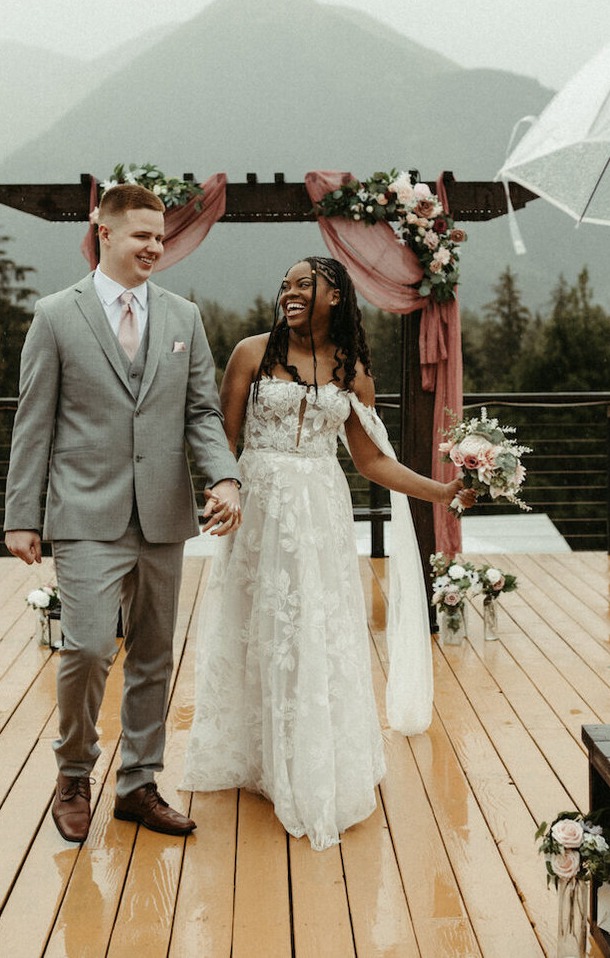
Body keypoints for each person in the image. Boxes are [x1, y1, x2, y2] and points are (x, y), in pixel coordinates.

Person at [180, 256, 471, 850]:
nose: (288, 292)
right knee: (257, 627)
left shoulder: (353, 370)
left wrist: (439, 490)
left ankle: (309, 755)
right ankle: (256, 754)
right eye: (284, 283)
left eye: (303, 284)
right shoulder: (250, 353)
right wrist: (219, 492)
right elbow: (221, 440)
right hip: (259, 511)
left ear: (335, 296)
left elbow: (370, 460)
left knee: (315, 628)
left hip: (320, 512)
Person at [4, 182, 242, 844]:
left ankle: (138, 784)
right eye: (142, 236)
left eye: (161, 237)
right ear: (103, 232)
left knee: (154, 656)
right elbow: (34, 422)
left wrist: (224, 473)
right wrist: (21, 513)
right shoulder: (55, 316)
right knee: (83, 646)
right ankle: (74, 771)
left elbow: (201, 412)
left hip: (164, 512)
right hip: (83, 513)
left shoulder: (182, 318)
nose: (155, 248)